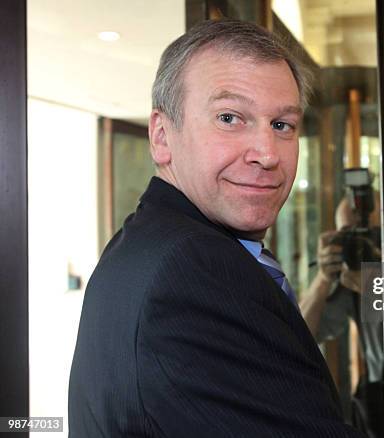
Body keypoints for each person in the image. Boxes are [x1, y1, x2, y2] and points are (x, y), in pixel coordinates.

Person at [68, 19, 364, 437]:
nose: (267, 154)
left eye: (282, 125)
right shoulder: (194, 270)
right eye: (230, 118)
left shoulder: (153, 243)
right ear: (162, 136)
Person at [300, 196, 384, 438]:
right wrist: (323, 279)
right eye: (350, 234)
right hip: (382, 397)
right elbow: (301, 335)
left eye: (370, 233)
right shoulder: (352, 277)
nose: (362, 244)